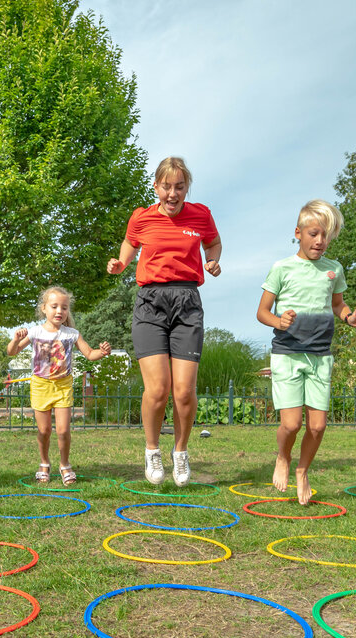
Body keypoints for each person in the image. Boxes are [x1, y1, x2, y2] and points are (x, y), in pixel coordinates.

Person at [107, 157, 221, 486]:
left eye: (180, 186)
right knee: (158, 390)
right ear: (156, 187)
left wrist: (212, 261)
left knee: (183, 391)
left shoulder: (200, 214)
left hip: (186, 302)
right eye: (166, 186)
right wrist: (122, 262)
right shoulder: (142, 217)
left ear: (187, 188)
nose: (173, 193)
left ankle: (181, 452)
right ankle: (152, 450)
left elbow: (213, 242)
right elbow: (131, 242)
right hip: (150, 303)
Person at [256, 200, 356, 504]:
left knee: (317, 426)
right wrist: (279, 321)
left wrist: (350, 317)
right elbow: (262, 312)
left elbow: (337, 305)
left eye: (326, 236)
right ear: (298, 233)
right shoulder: (282, 268)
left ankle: (302, 470)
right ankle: (283, 456)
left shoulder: (334, 269)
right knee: (291, 424)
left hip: (320, 355)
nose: (320, 241)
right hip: (287, 353)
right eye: (314, 234)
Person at [6, 286, 111, 485]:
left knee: (63, 430)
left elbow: (90, 354)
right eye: (54, 306)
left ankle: (65, 465)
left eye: (64, 307)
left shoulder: (71, 334)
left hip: (63, 385)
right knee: (44, 430)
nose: (59, 311)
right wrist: (15, 340)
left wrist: (103, 352)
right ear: (44, 308)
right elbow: (12, 352)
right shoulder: (36, 332)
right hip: (41, 385)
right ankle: (44, 463)